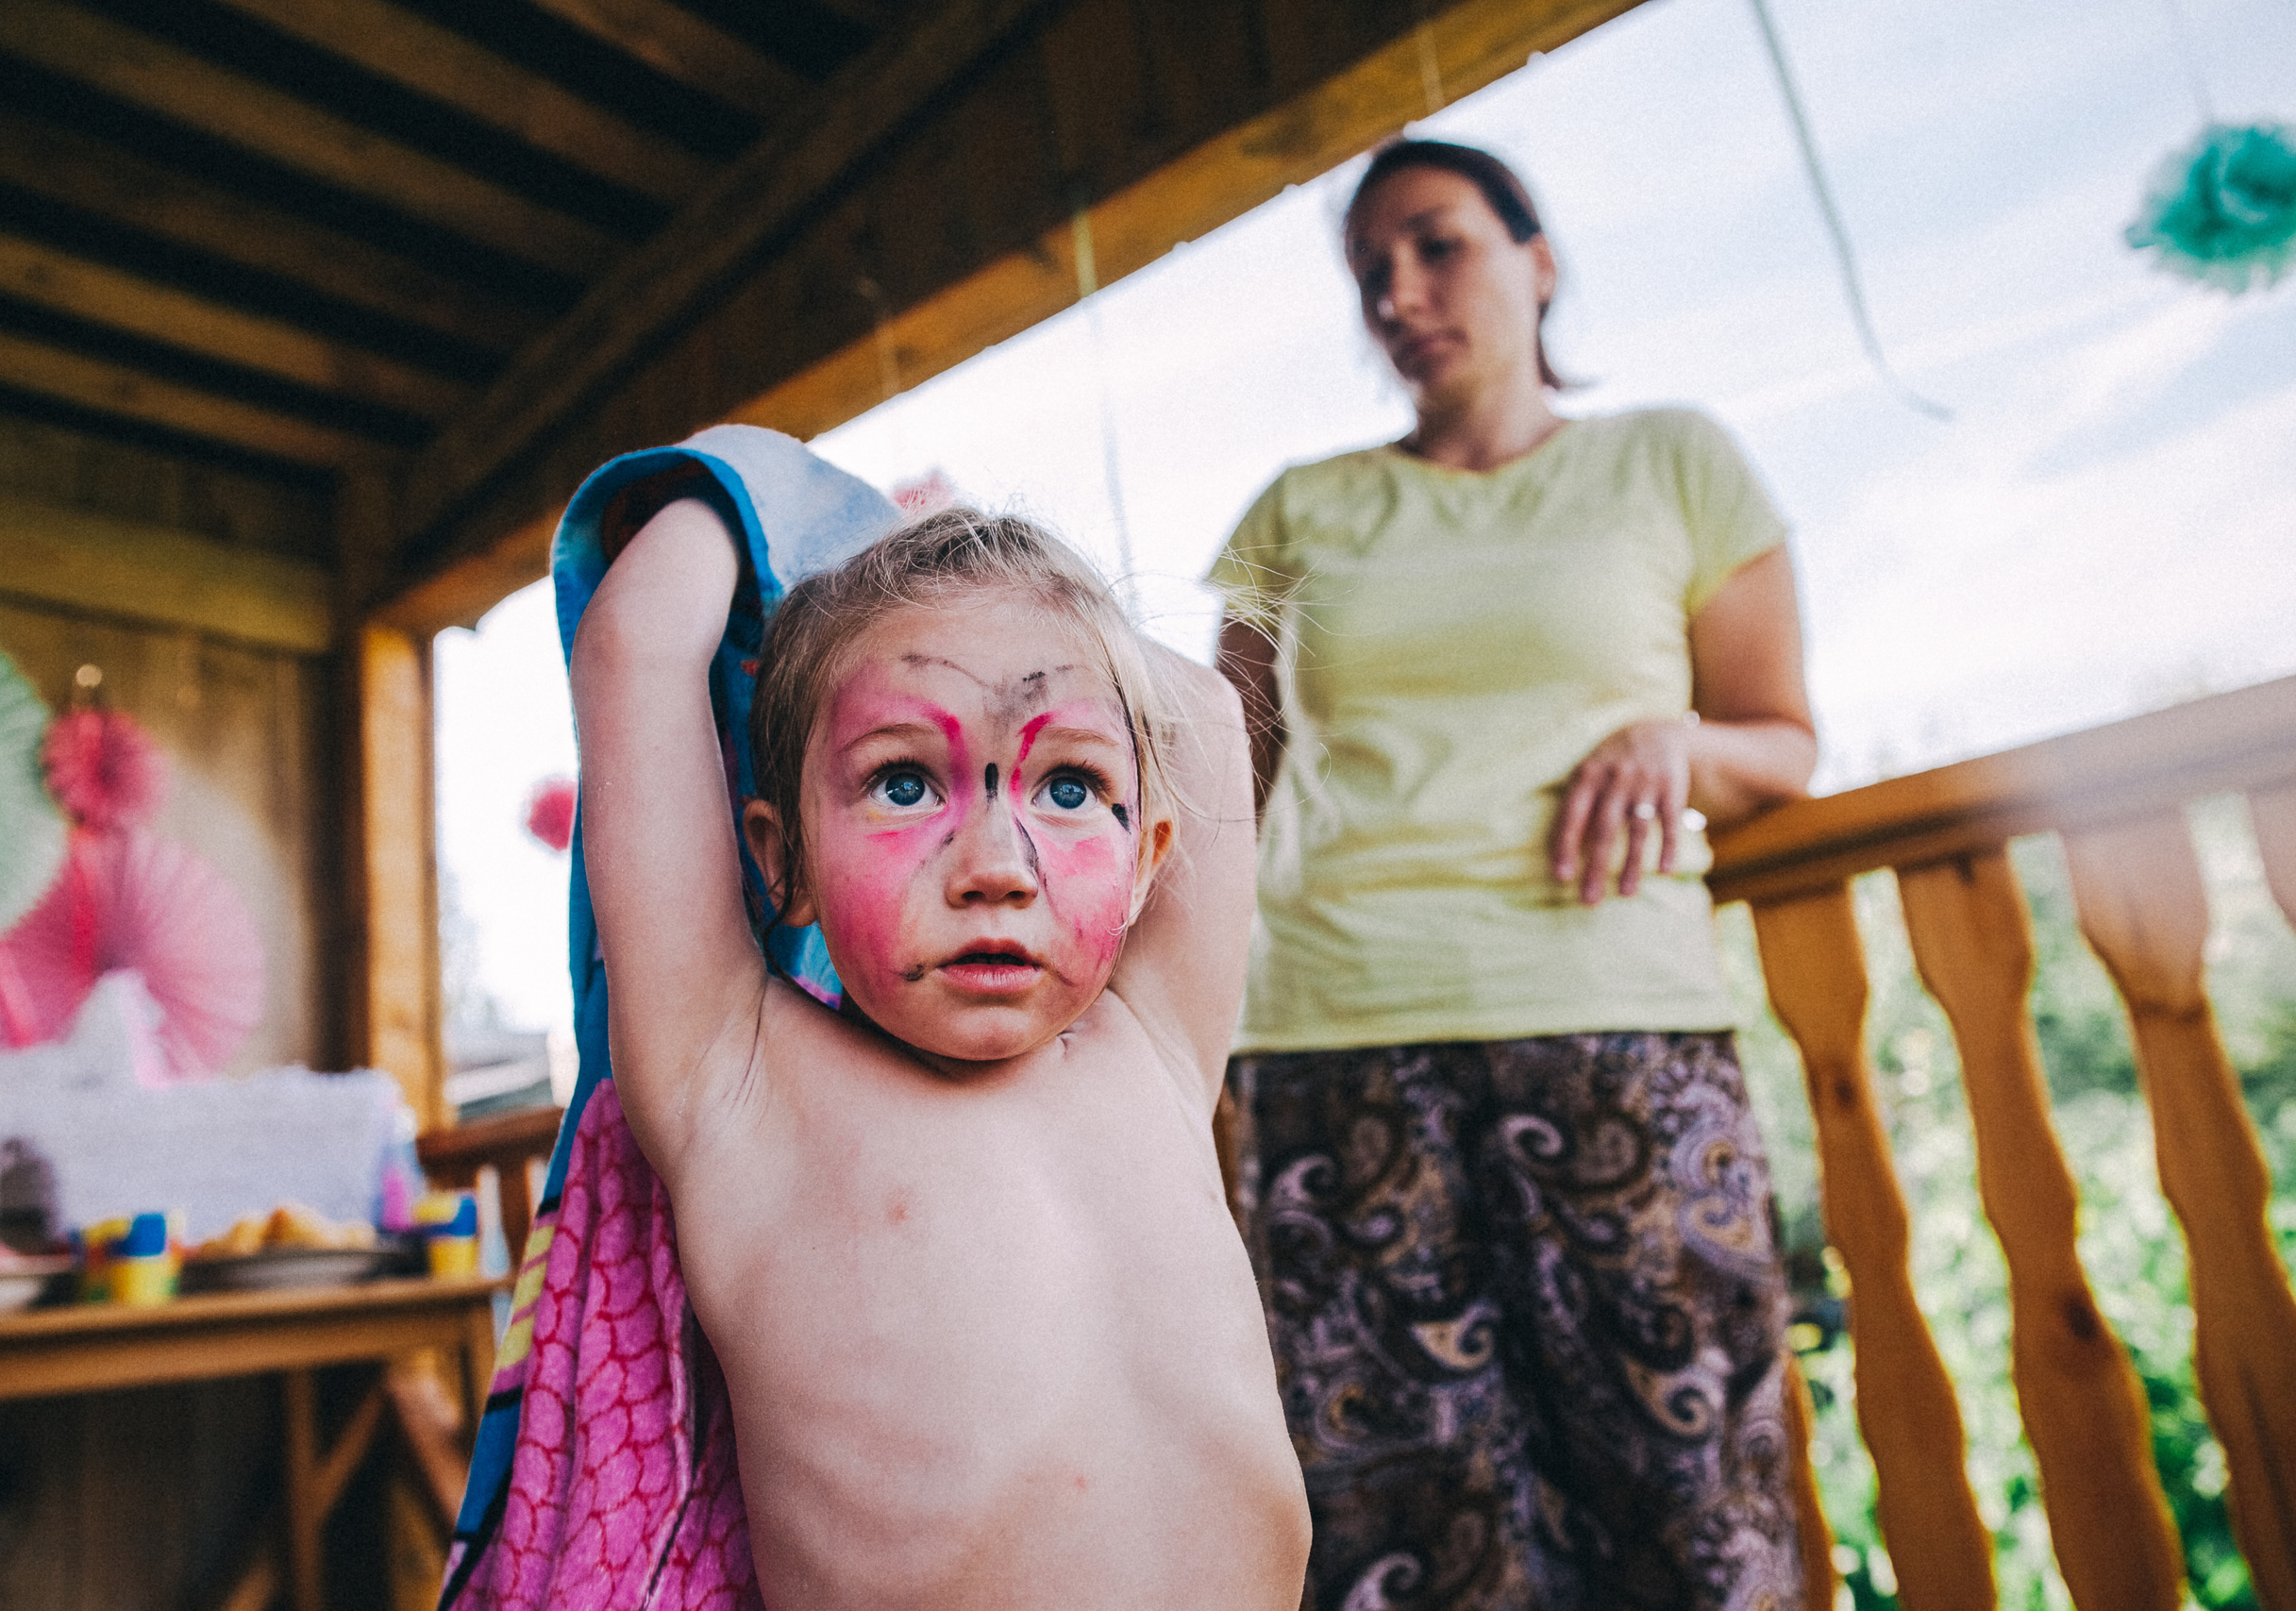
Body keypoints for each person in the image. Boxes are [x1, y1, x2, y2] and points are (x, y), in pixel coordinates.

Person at [1210, 139, 1818, 1610]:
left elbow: (1783, 740)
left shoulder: (1674, 460)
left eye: (1438, 244)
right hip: (1333, 1045)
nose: (1400, 293)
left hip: (1622, 1033)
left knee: (1699, 1515)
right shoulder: (1298, 508)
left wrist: (1681, 740)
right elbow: (1215, 782)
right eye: (1371, 271)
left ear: (1538, 261)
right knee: (1414, 1539)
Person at [571, 494, 1311, 1610]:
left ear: (1148, 857)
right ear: (781, 859)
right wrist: (802, 507)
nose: (996, 866)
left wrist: (970, 574)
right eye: (903, 782)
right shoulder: (739, 1085)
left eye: (1070, 786)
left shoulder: (1153, 1048)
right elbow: (636, 643)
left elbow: (1205, 712)